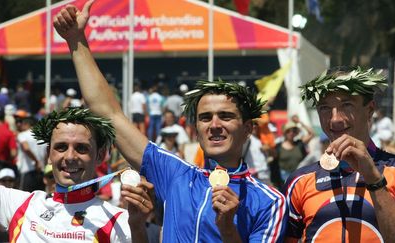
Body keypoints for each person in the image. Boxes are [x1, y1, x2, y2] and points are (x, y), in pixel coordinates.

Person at [53, 1, 287, 241]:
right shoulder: (175, 174)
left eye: (226, 116)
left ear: (248, 128)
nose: (215, 125)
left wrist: (227, 229)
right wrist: (75, 40)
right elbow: (108, 113)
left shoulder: (270, 202)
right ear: (196, 130)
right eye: (205, 118)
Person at [284, 66, 395, 242]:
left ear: (370, 110)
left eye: (347, 105)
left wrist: (374, 179)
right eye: (325, 108)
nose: (335, 118)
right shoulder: (299, 180)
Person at [0, 107, 153, 242]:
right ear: (49, 154)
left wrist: (137, 228)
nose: (70, 157)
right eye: (61, 147)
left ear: (99, 156)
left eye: (82, 148)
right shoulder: (20, 204)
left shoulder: (119, 220)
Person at [14, 110, 47, 192]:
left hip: (27, 171)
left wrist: (36, 161)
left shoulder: (22, 135)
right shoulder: (42, 137)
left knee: (24, 198)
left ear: (26, 124)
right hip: (41, 172)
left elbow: (26, 148)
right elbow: (47, 153)